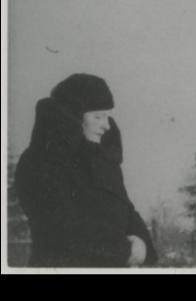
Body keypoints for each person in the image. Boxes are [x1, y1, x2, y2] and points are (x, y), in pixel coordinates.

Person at [15, 73, 158, 268]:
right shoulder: (38, 162)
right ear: (72, 117)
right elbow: (59, 228)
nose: (107, 125)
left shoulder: (104, 161)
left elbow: (126, 210)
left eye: (108, 116)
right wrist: (125, 251)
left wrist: (143, 245)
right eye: (98, 116)